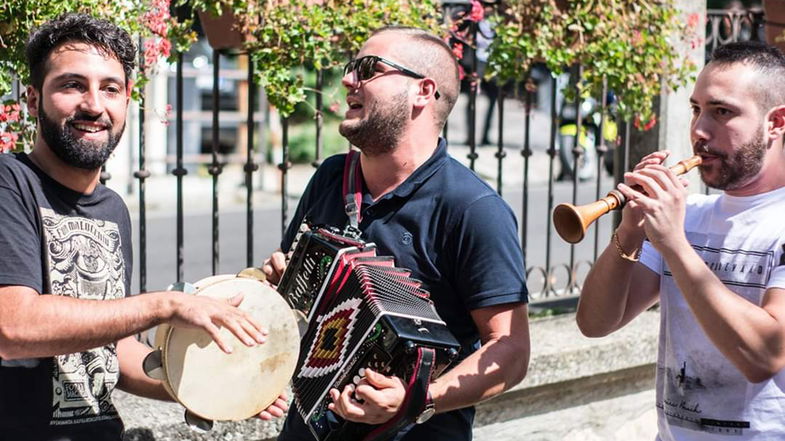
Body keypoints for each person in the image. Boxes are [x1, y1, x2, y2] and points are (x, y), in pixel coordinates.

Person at [0, 14, 286, 440]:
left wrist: (220, 384)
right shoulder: (10, 182)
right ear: (32, 97)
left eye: (110, 88)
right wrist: (165, 306)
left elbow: (110, 354)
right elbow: (13, 327)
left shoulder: (113, 209)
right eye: (72, 85)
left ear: (127, 100)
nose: (94, 105)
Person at [263, 26, 530, 441]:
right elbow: (296, 309)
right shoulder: (332, 177)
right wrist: (282, 286)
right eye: (351, 68)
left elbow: (510, 350)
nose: (349, 80)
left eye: (368, 69)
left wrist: (418, 398)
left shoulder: (473, 210)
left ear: (423, 91)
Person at [576, 41, 785, 440]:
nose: (699, 131)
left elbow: (765, 355)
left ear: (776, 123)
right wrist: (630, 231)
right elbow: (595, 323)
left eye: (722, 112)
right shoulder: (689, 217)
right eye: (696, 109)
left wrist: (674, 243)